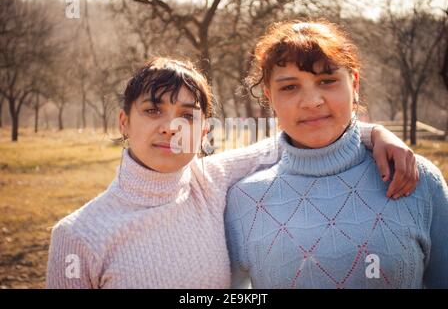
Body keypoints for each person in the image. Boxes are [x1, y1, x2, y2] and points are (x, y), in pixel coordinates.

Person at [46, 57, 418, 288]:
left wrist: (376, 133)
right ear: (124, 122)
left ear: (205, 131)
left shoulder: (210, 182)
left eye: (187, 116)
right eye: (153, 110)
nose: (171, 128)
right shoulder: (79, 235)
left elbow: (293, 138)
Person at [225, 19, 448, 289]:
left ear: (354, 84)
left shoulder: (416, 179)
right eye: (289, 87)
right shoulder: (243, 201)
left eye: (327, 81)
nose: (312, 102)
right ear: (269, 96)